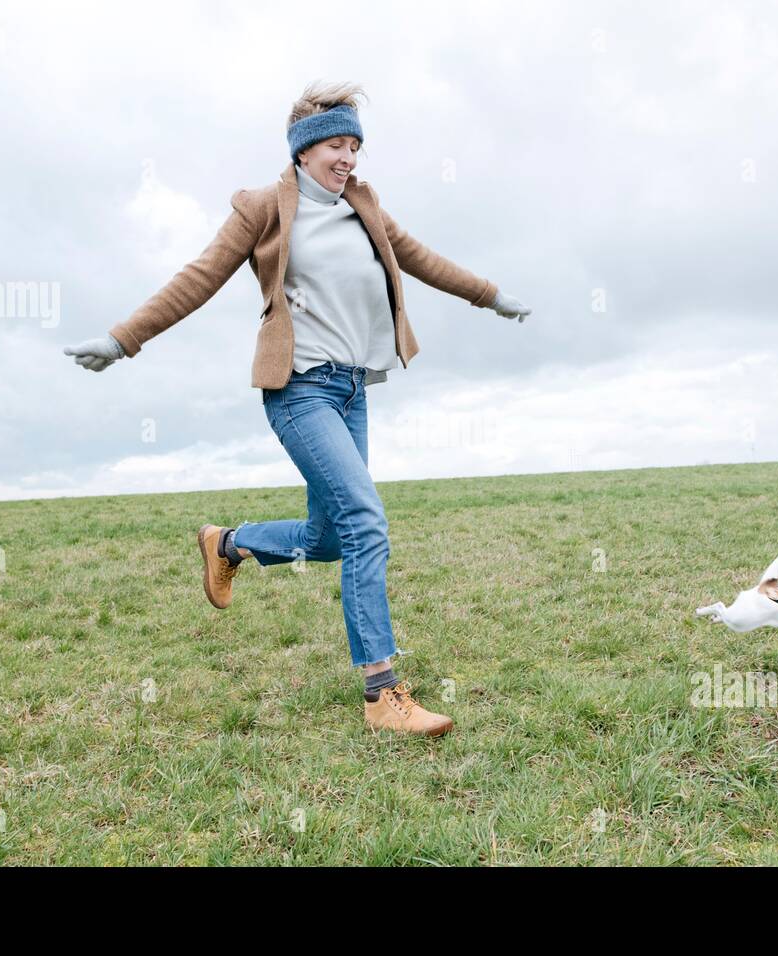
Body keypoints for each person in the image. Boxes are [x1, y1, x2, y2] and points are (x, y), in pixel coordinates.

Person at [64, 81, 532, 736]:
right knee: (368, 521)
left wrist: (490, 296)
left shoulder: (364, 206)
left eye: (356, 146)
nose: (349, 159)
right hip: (298, 390)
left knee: (332, 538)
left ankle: (227, 545)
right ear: (305, 151)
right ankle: (383, 695)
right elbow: (198, 276)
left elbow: (419, 258)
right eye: (338, 146)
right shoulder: (264, 208)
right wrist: (122, 338)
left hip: (350, 391)